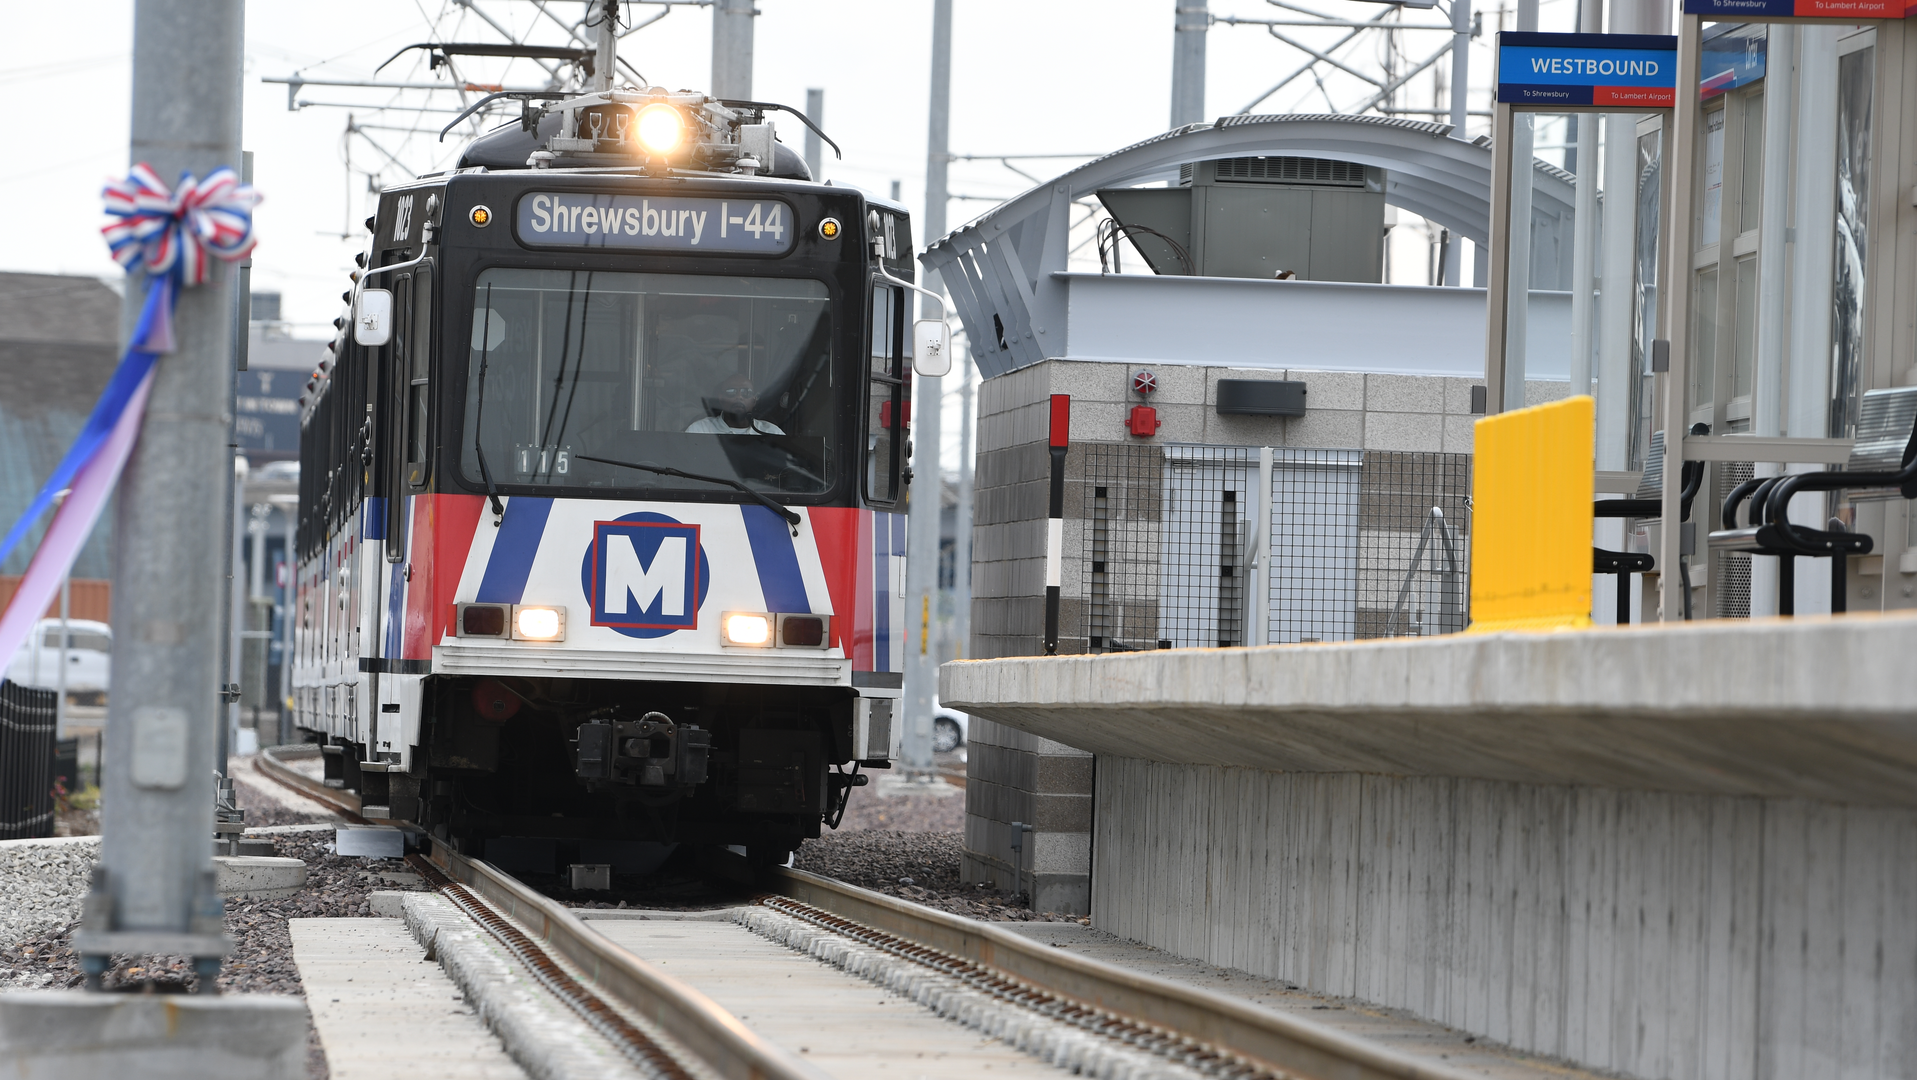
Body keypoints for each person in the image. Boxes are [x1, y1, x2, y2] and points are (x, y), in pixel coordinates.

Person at [685, 373, 785, 435]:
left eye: (746, 392)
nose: (739, 396)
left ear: (754, 400)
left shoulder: (772, 432)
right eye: (731, 392)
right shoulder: (700, 430)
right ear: (721, 399)